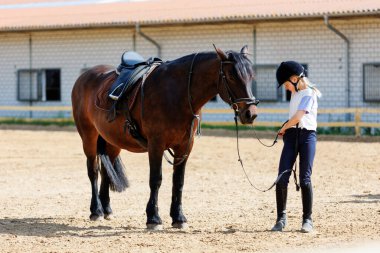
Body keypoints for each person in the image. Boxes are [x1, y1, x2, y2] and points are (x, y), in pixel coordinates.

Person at [271, 61, 321, 233]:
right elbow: (294, 117)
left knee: (305, 178)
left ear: (294, 79)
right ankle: (281, 218)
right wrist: (287, 129)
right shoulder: (295, 94)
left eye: (286, 84)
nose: (286, 88)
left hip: (307, 136)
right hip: (292, 137)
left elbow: (299, 116)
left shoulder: (309, 93)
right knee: (282, 175)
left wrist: (283, 127)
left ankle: (307, 219)